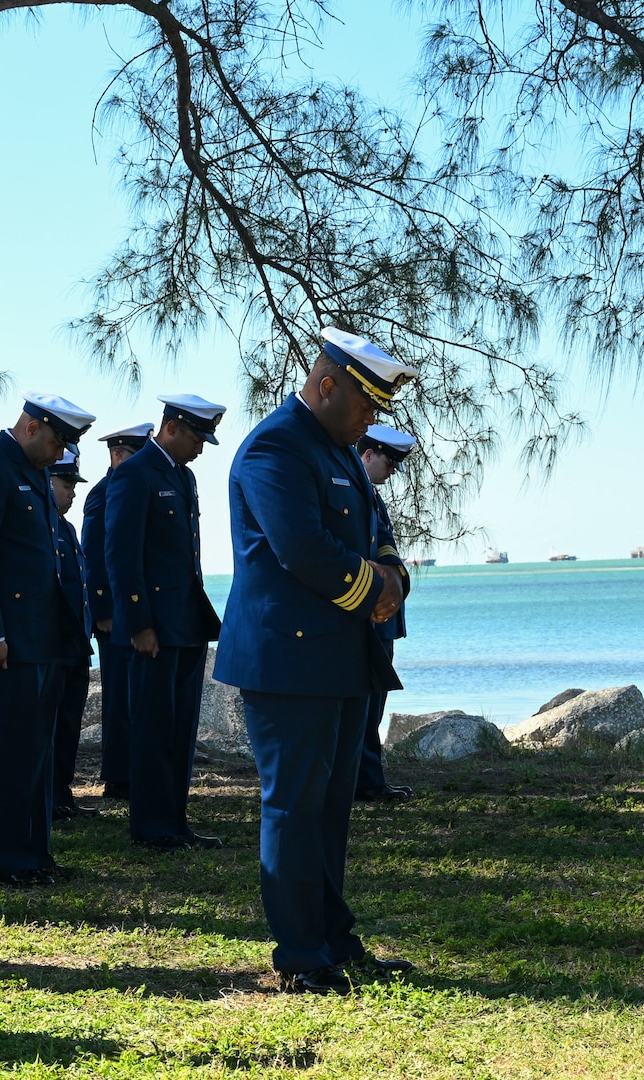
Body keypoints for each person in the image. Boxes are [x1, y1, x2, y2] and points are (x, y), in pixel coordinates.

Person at [213, 326, 417, 994]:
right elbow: (301, 549)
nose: (371, 420)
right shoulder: (276, 447)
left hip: (335, 660)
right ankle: (300, 956)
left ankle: (332, 937)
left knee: (329, 811)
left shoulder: (332, 451)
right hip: (288, 664)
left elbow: (373, 532)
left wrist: (392, 578)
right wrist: (375, 594)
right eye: (364, 404)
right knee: (294, 811)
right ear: (325, 385)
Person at [0, 392, 95, 887]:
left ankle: (36, 854)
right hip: (2, 645)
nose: (60, 455)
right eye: (58, 441)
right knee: (6, 757)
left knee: (37, 755)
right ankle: (9, 861)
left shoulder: (33, 472)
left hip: (40, 641)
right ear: (32, 427)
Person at [105, 395, 227, 851]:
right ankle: (152, 827)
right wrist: (138, 622)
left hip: (185, 622)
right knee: (154, 728)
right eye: (196, 437)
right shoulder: (135, 474)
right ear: (172, 427)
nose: (200, 448)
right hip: (154, 626)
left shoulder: (183, 475)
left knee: (180, 731)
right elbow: (121, 553)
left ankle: (175, 821)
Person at [80, 421, 152, 801]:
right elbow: (93, 554)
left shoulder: (141, 487)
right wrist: (103, 610)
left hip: (137, 610)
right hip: (115, 616)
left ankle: (134, 770)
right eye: (140, 453)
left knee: (138, 696)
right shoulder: (103, 493)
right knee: (119, 698)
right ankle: (119, 776)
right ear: (119, 454)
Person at [354, 424, 417, 803]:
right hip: (370, 612)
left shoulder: (370, 496)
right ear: (367, 455)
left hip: (382, 616)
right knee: (365, 706)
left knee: (373, 706)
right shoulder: (358, 496)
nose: (391, 471)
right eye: (388, 463)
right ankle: (366, 783)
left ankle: (369, 778)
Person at [48, 448, 97, 821]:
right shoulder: (42, 527)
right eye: (66, 484)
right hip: (54, 645)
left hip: (75, 645)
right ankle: (51, 797)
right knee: (51, 727)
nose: (72, 492)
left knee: (68, 727)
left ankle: (62, 795)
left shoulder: (66, 527)